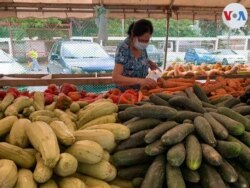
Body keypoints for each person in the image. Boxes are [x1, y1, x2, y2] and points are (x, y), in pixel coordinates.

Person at [112, 19, 159, 91]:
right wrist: (140, 81)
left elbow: (137, 60)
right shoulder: (123, 48)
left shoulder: (141, 47)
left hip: (141, 91)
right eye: (141, 40)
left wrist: (149, 62)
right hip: (124, 95)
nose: (144, 43)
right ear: (133, 35)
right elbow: (116, 77)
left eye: (147, 41)